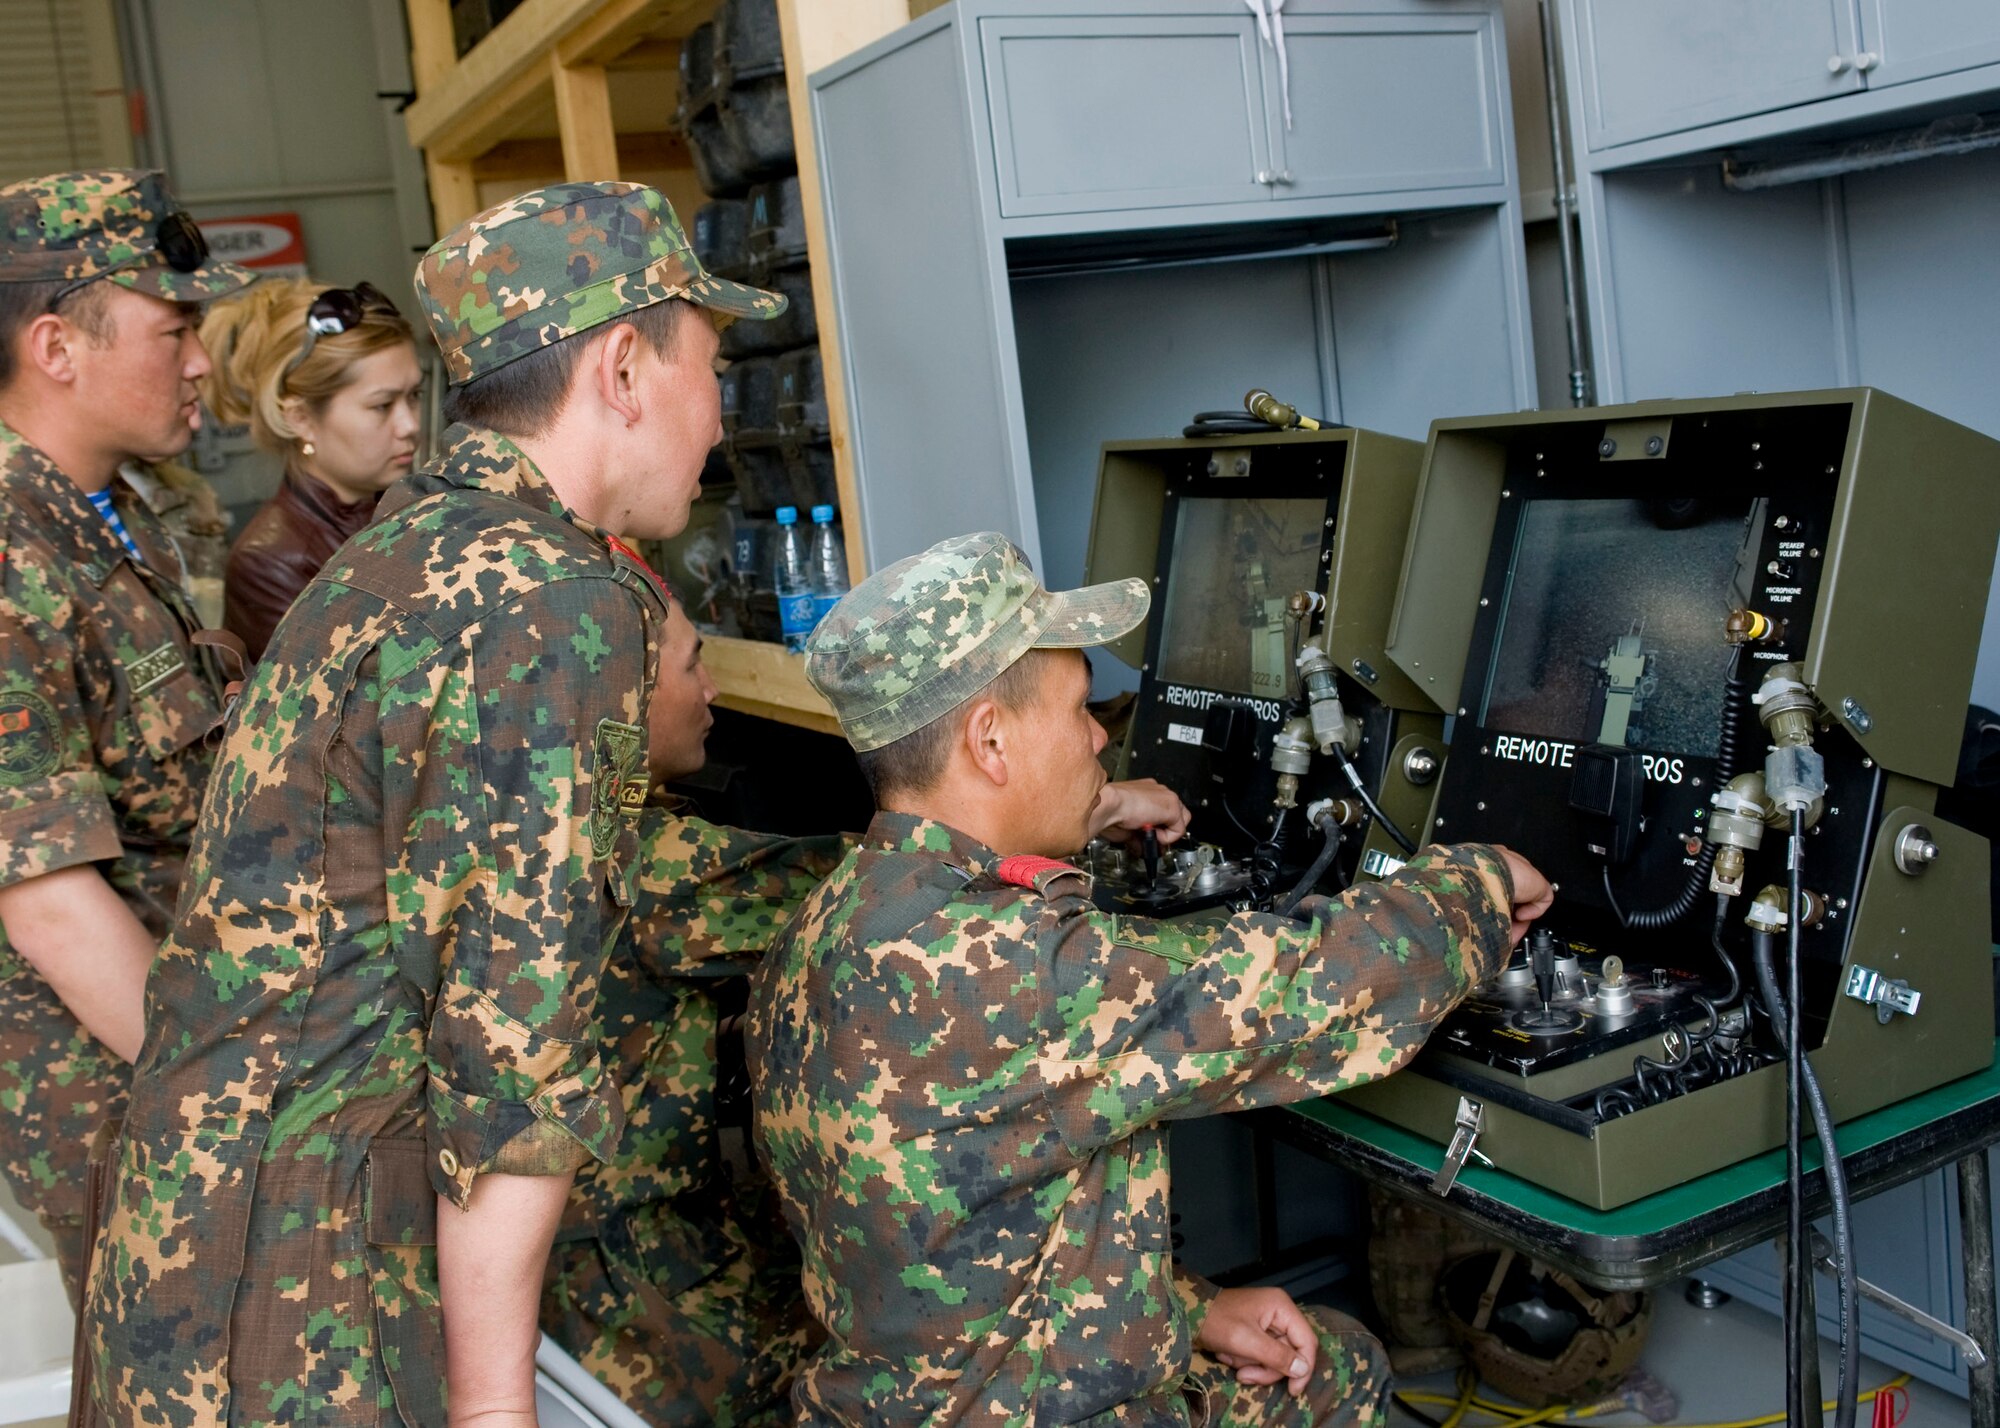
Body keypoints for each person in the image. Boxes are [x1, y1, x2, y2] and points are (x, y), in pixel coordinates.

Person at [85, 180, 784, 1427]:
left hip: (204, 1256)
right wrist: (493, 1412)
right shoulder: (551, 604)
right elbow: (512, 1062)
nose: (721, 419)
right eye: (712, 365)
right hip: (304, 1299)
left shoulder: (409, 548)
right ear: (624, 366)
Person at [746, 531, 1555, 1426]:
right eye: (1080, 708)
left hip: (891, 1398)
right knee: (1347, 1364)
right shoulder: (1003, 962)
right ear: (990, 741)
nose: (1099, 739)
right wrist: (1475, 885)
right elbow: (1294, 987)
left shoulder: (825, 923)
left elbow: (964, 1229)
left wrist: (1188, 1309)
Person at [546, 592, 1194, 1425]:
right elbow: (900, 881)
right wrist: (1075, 807)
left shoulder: (604, 844)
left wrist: (1072, 796)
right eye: (691, 663)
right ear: (618, 702)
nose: (711, 688)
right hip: (653, 1306)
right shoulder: (652, 865)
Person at [0, 168, 251, 1301]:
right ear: (58, 348)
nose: (201, 360)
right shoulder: (11, 554)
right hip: (126, 1098)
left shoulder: (120, 507)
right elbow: (47, 898)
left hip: (186, 1033)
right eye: (175, 328)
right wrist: (228, 1107)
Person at [199, 275, 423, 660]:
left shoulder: (416, 503)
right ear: (302, 418)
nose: (410, 425)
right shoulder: (272, 564)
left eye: (414, 396)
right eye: (382, 406)